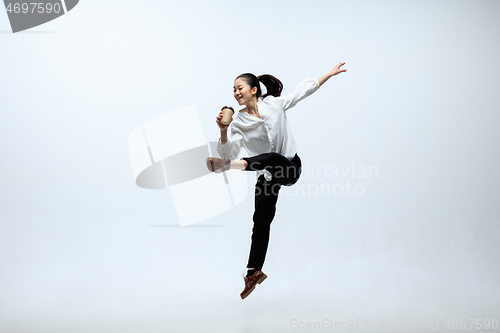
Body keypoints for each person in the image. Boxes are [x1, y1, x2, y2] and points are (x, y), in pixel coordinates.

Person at [206, 62, 347, 300]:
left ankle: (228, 169)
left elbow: (303, 92)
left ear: (254, 90)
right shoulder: (238, 122)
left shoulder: (274, 103)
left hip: (289, 167)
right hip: (266, 176)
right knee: (260, 222)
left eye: (239, 87)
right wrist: (223, 130)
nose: (236, 93)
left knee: (272, 157)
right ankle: (253, 272)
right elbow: (227, 151)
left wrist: (328, 75)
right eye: (233, 90)